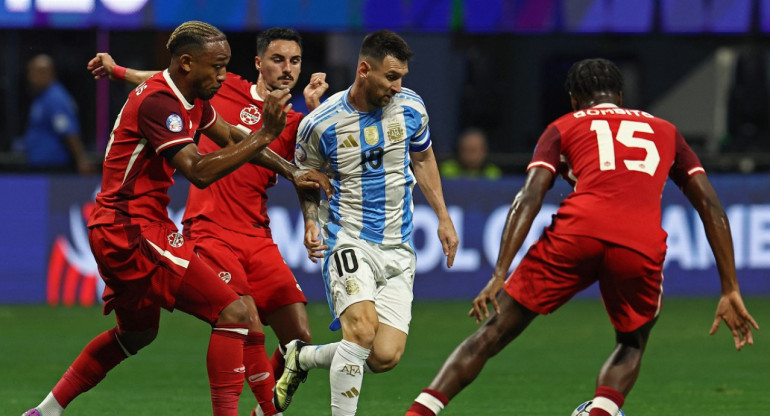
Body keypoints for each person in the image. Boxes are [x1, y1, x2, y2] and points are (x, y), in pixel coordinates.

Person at [403, 58, 759, 416]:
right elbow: (711, 207)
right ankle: (600, 411)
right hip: (638, 242)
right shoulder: (666, 130)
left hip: (577, 233)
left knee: (494, 332)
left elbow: (529, 196)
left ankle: (420, 412)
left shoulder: (562, 126)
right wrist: (730, 287)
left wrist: (500, 273)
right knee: (632, 343)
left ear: (574, 99)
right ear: (620, 96)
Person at [22, 21, 328, 416]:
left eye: (225, 66)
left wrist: (292, 171)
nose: (222, 75)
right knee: (234, 314)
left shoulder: (191, 99)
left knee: (136, 335)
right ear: (187, 63)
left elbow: (233, 137)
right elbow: (197, 169)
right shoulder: (158, 103)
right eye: (216, 67)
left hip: (130, 226)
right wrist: (264, 134)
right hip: (131, 228)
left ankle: (45, 410)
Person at [275, 30, 460, 416]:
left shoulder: (411, 108)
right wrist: (311, 222)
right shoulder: (321, 124)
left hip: (399, 245)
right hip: (348, 239)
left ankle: (300, 358)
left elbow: (423, 160)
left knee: (383, 356)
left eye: (402, 77)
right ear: (364, 70)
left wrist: (443, 217)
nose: (398, 86)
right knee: (360, 331)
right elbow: (305, 178)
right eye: (391, 77)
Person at [21, 54, 92, 174]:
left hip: (52, 167)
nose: (30, 77)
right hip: (38, 164)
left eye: (34, 72)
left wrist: (81, 160)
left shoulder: (55, 98)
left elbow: (69, 131)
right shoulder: (41, 96)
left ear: (47, 73)